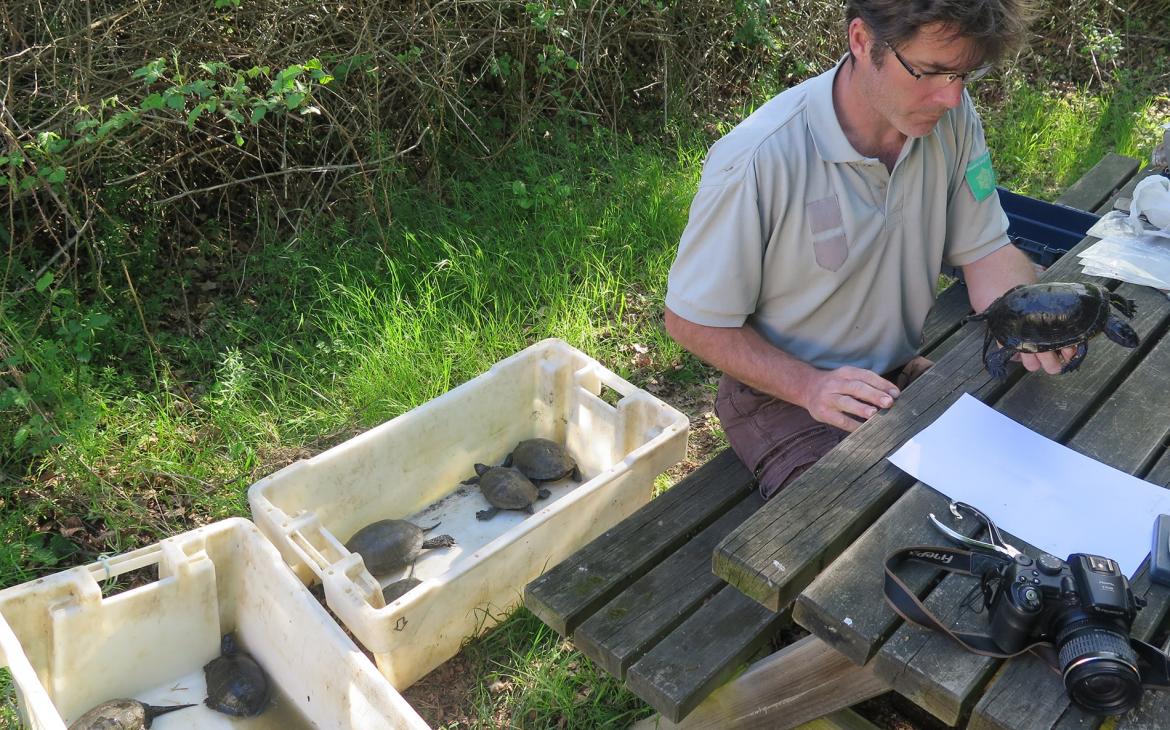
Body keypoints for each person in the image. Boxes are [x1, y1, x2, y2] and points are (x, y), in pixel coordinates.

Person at [663, 0, 1077, 499]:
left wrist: (1032, 321)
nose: (950, 97)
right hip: (781, 393)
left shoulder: (953, 117)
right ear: (861, 41)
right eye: (930, 72)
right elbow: (693, 321)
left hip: (888, 371)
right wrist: (810, 387)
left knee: (1024, 467)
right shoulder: (759, 158)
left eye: (967, 75)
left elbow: (986, 250)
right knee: (846, 529)